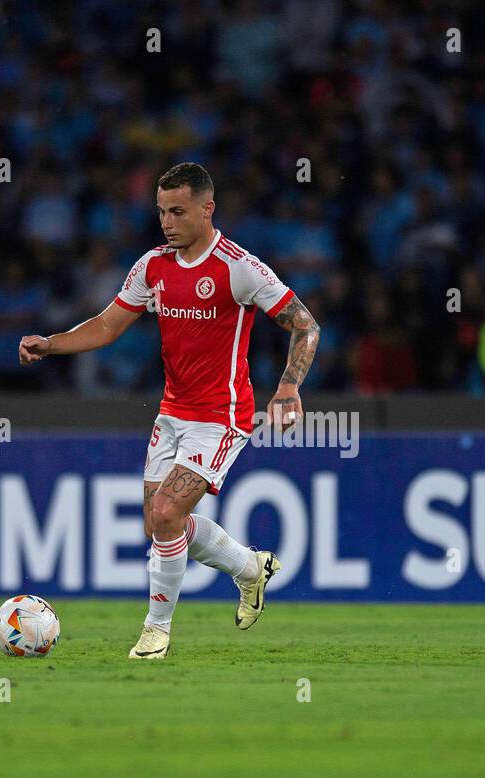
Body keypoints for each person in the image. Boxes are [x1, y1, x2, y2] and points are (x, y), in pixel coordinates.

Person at [19, 163, 320, 660]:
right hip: (172, 413)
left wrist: (288, 386)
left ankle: (155, 633)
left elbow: (306, 326)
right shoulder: (152, 267)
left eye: (178, 211)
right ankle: (250, 568)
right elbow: (107, 325)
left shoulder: (238, 267)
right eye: (161, 212)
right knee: (161, 525)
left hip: (222, 416)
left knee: (166, 512)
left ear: (208, 209)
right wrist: (50, 344)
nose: (167, 222)